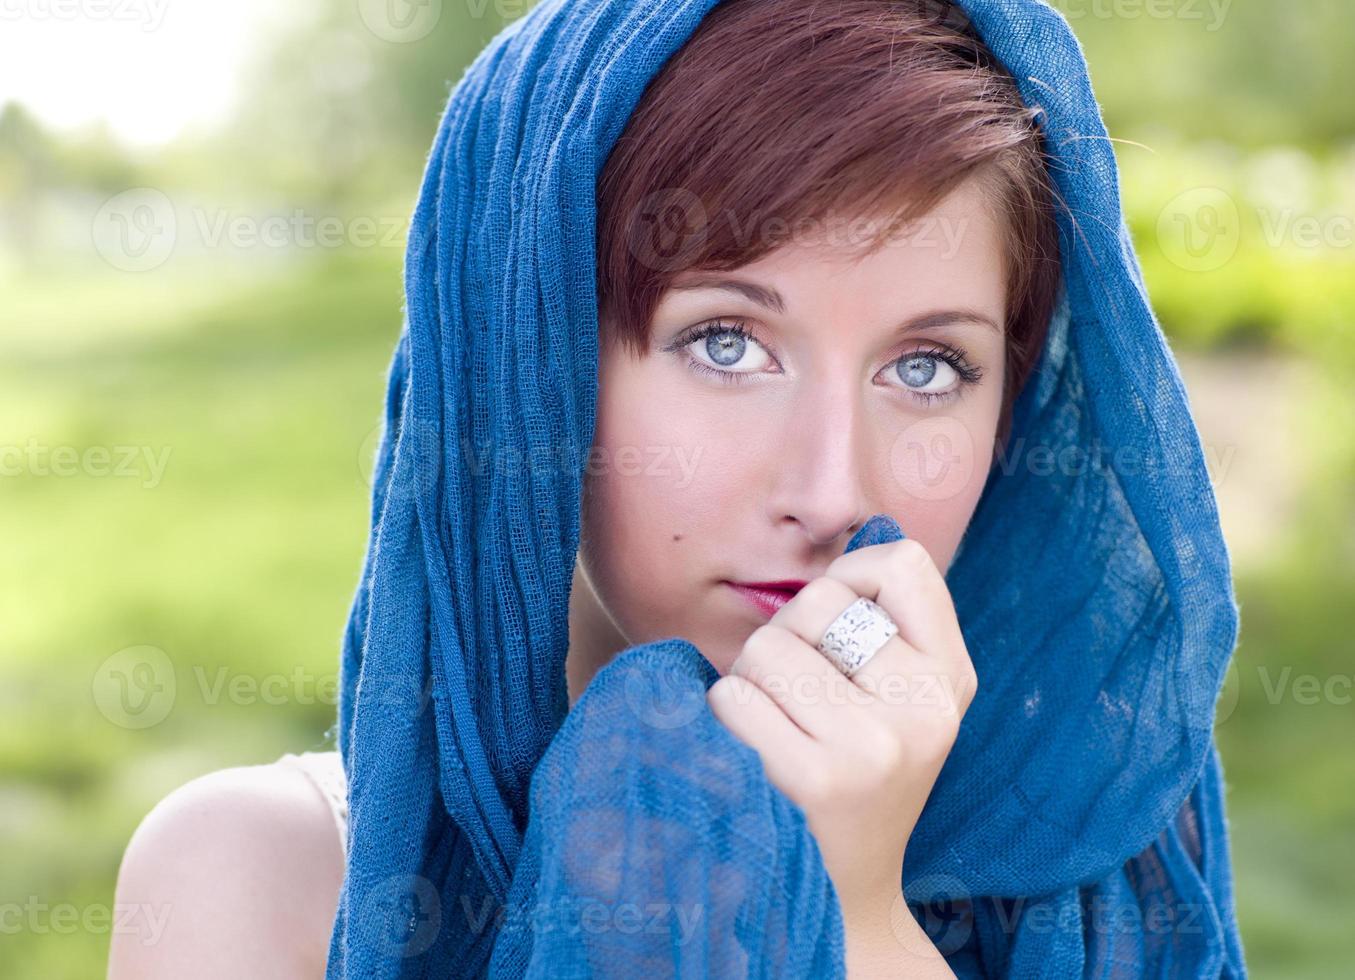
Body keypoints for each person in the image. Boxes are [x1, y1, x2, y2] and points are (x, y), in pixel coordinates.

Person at [110, 0, 1245, 976]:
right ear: (529, 366)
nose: (831, 487)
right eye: (724, 343)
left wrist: (858, 916)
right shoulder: (262, 882)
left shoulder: (1094, 832)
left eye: (924, 366)